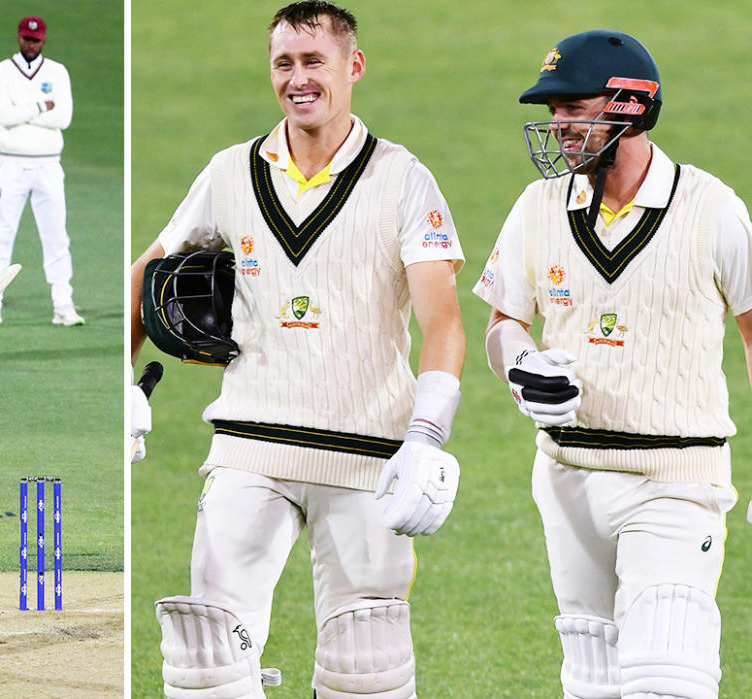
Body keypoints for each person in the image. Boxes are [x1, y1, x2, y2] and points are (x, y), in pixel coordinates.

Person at [128, 3, 466, 696]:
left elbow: (444, 321)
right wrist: (121, 386)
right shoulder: (229, 171)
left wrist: (427, 435)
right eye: (284, 62)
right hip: (250, 446)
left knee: (367, 667)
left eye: (314, 60)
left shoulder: (404, 179)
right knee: (206, 655)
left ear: (353, 66)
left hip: (369, 456)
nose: (298, 77)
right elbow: (147, 271)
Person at [473, 30, 752, 698]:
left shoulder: (712, 209)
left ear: (630, 105)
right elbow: (503, 324)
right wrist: (524, 370)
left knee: (665, 678)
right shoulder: (538, 206)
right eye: (553, 112)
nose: (558, 126)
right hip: (566, 478)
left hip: (674, 477)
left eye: (573, 108)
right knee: (592, 680)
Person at [0, 15, 83, 327]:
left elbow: (63, 118)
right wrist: (40, 106)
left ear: (44, 41)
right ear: (19, 38)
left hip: (49, 164)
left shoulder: (57, 72)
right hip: (11, 164)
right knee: (1, 233)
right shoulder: (1, 72)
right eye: (26, 39)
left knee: (55, 235)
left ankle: (63, 304)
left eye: (36, 40)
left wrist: (21, 111)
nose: (30, 44)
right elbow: (2, 115)